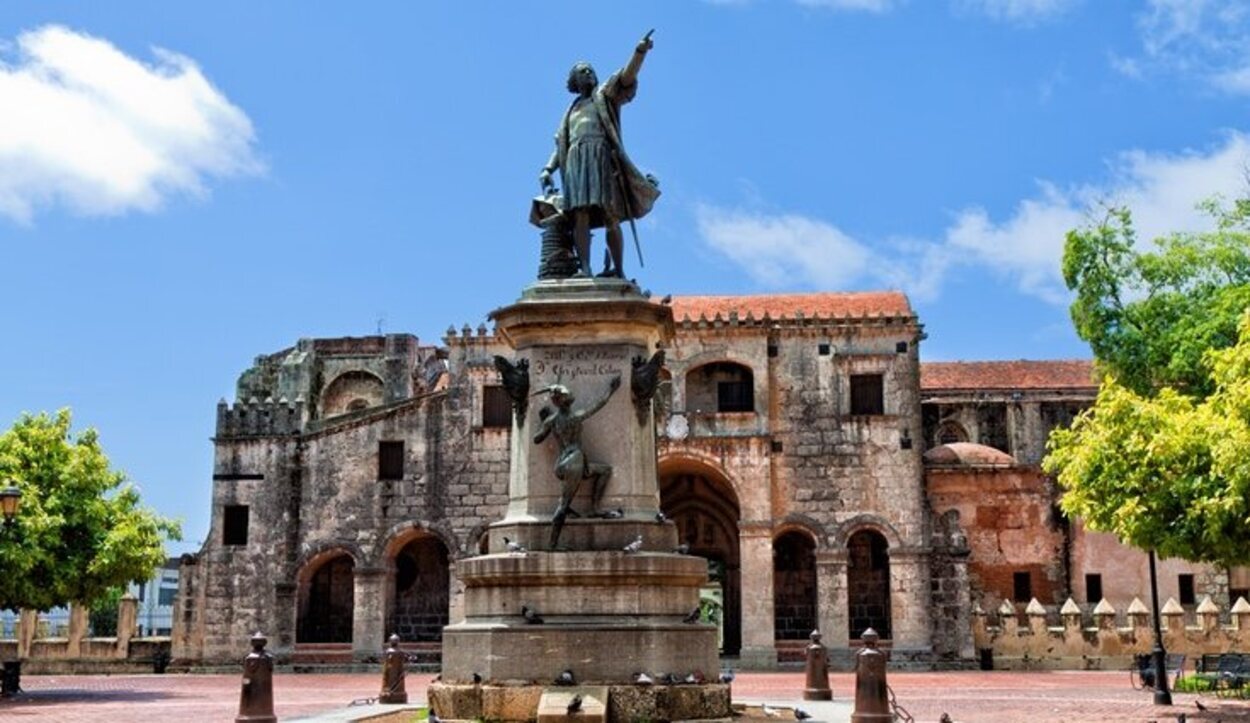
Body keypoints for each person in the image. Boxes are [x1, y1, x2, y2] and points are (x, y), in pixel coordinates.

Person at [539, 30, 660, 279]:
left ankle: (618, 269)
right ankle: (584, 268)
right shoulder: (571, 110)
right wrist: (548, 169)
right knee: (579, 215)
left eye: (590, 69)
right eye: (583, 71)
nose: (589, 73)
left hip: (600, 157)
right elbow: (561, 143)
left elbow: (626, 77)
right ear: (574, 81)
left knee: (610, 213)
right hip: (574, 160)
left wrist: (639, 52)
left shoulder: (604, 96)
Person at [533, 375, 621, 548]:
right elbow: (598, 405)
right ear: (564, 401)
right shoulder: (576, 417)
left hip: (566, 462)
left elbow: (537, 439)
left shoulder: (552, 420)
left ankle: (595, 508)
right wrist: (611, 390)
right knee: (564, 505)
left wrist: (544, 422)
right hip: (574, 461)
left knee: (605, 471)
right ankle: (552, 545)